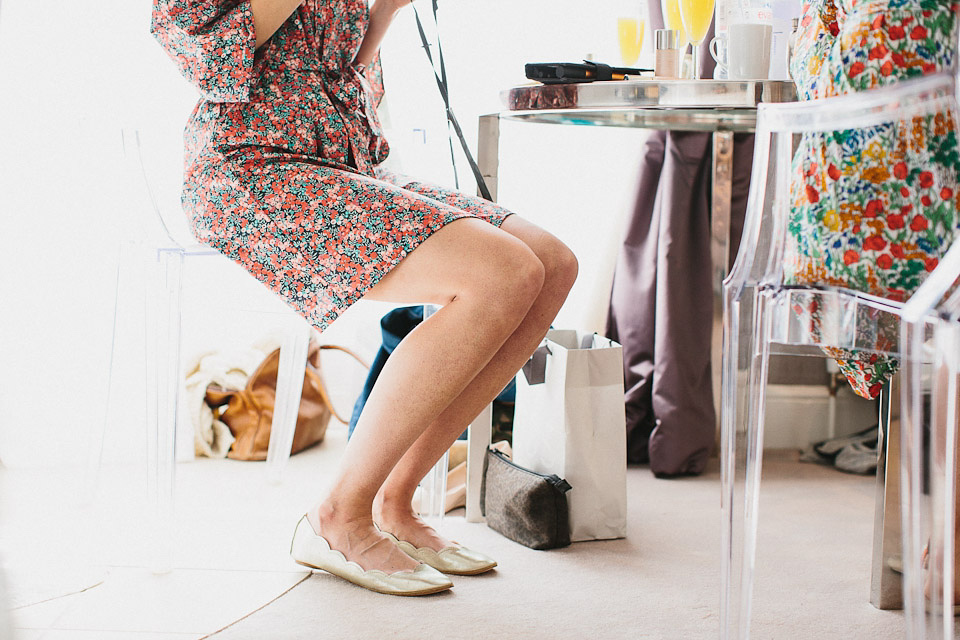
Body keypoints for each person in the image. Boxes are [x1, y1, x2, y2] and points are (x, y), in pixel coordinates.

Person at [151, 0, 578, 596]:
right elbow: (209, 55)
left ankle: (393, 502)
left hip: (346, 164)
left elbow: (343, 65)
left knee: (551, 265)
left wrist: (386, 9)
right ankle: (336, 518)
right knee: (501, 273)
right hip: (250, 168)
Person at [788, 0, 959, 606]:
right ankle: (954, 547)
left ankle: (948, 546)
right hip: (904, 231)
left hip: (826, 232)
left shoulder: (823, 13)